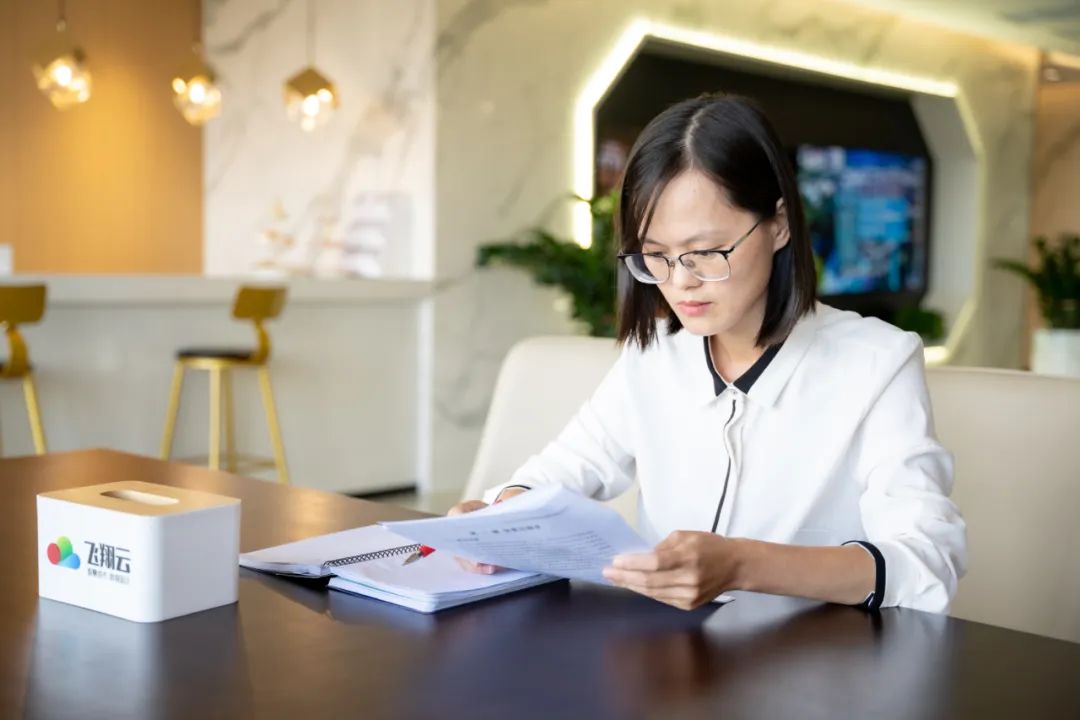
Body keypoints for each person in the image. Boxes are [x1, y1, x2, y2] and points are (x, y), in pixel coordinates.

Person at [450, 94, 966, 613]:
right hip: (661, 662)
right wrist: (500, 517)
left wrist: (742, 564)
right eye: (656, 256)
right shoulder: (654, 355)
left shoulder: (877, 362)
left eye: (706, 253)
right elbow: (560, 472)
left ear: (779, 224)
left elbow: (926, 560)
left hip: (813, 666)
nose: (680, 282)